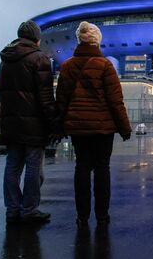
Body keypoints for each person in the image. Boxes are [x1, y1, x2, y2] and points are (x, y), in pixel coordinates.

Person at [56, 21, 131, 227]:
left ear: (79, 40)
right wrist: (124, 127)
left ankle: (82, 216)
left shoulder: (68, 65)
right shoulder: (106, 65)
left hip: (78, 127)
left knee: (81, 167)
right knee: (101, 168)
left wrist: (60, 126)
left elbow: (61, 99)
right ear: (97, 41)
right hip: (102, 128)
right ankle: (102, 215)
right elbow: (115, 101)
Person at [0, 20, 60, 224]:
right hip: (34, 124)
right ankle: (29, 209)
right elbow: (46, 96)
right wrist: (53, 122)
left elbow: (0, 91)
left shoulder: (5, 59)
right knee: (34, 168)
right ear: (36, 37)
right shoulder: (39, 58)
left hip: (11, 122)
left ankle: (12, 209)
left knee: (12, 166)